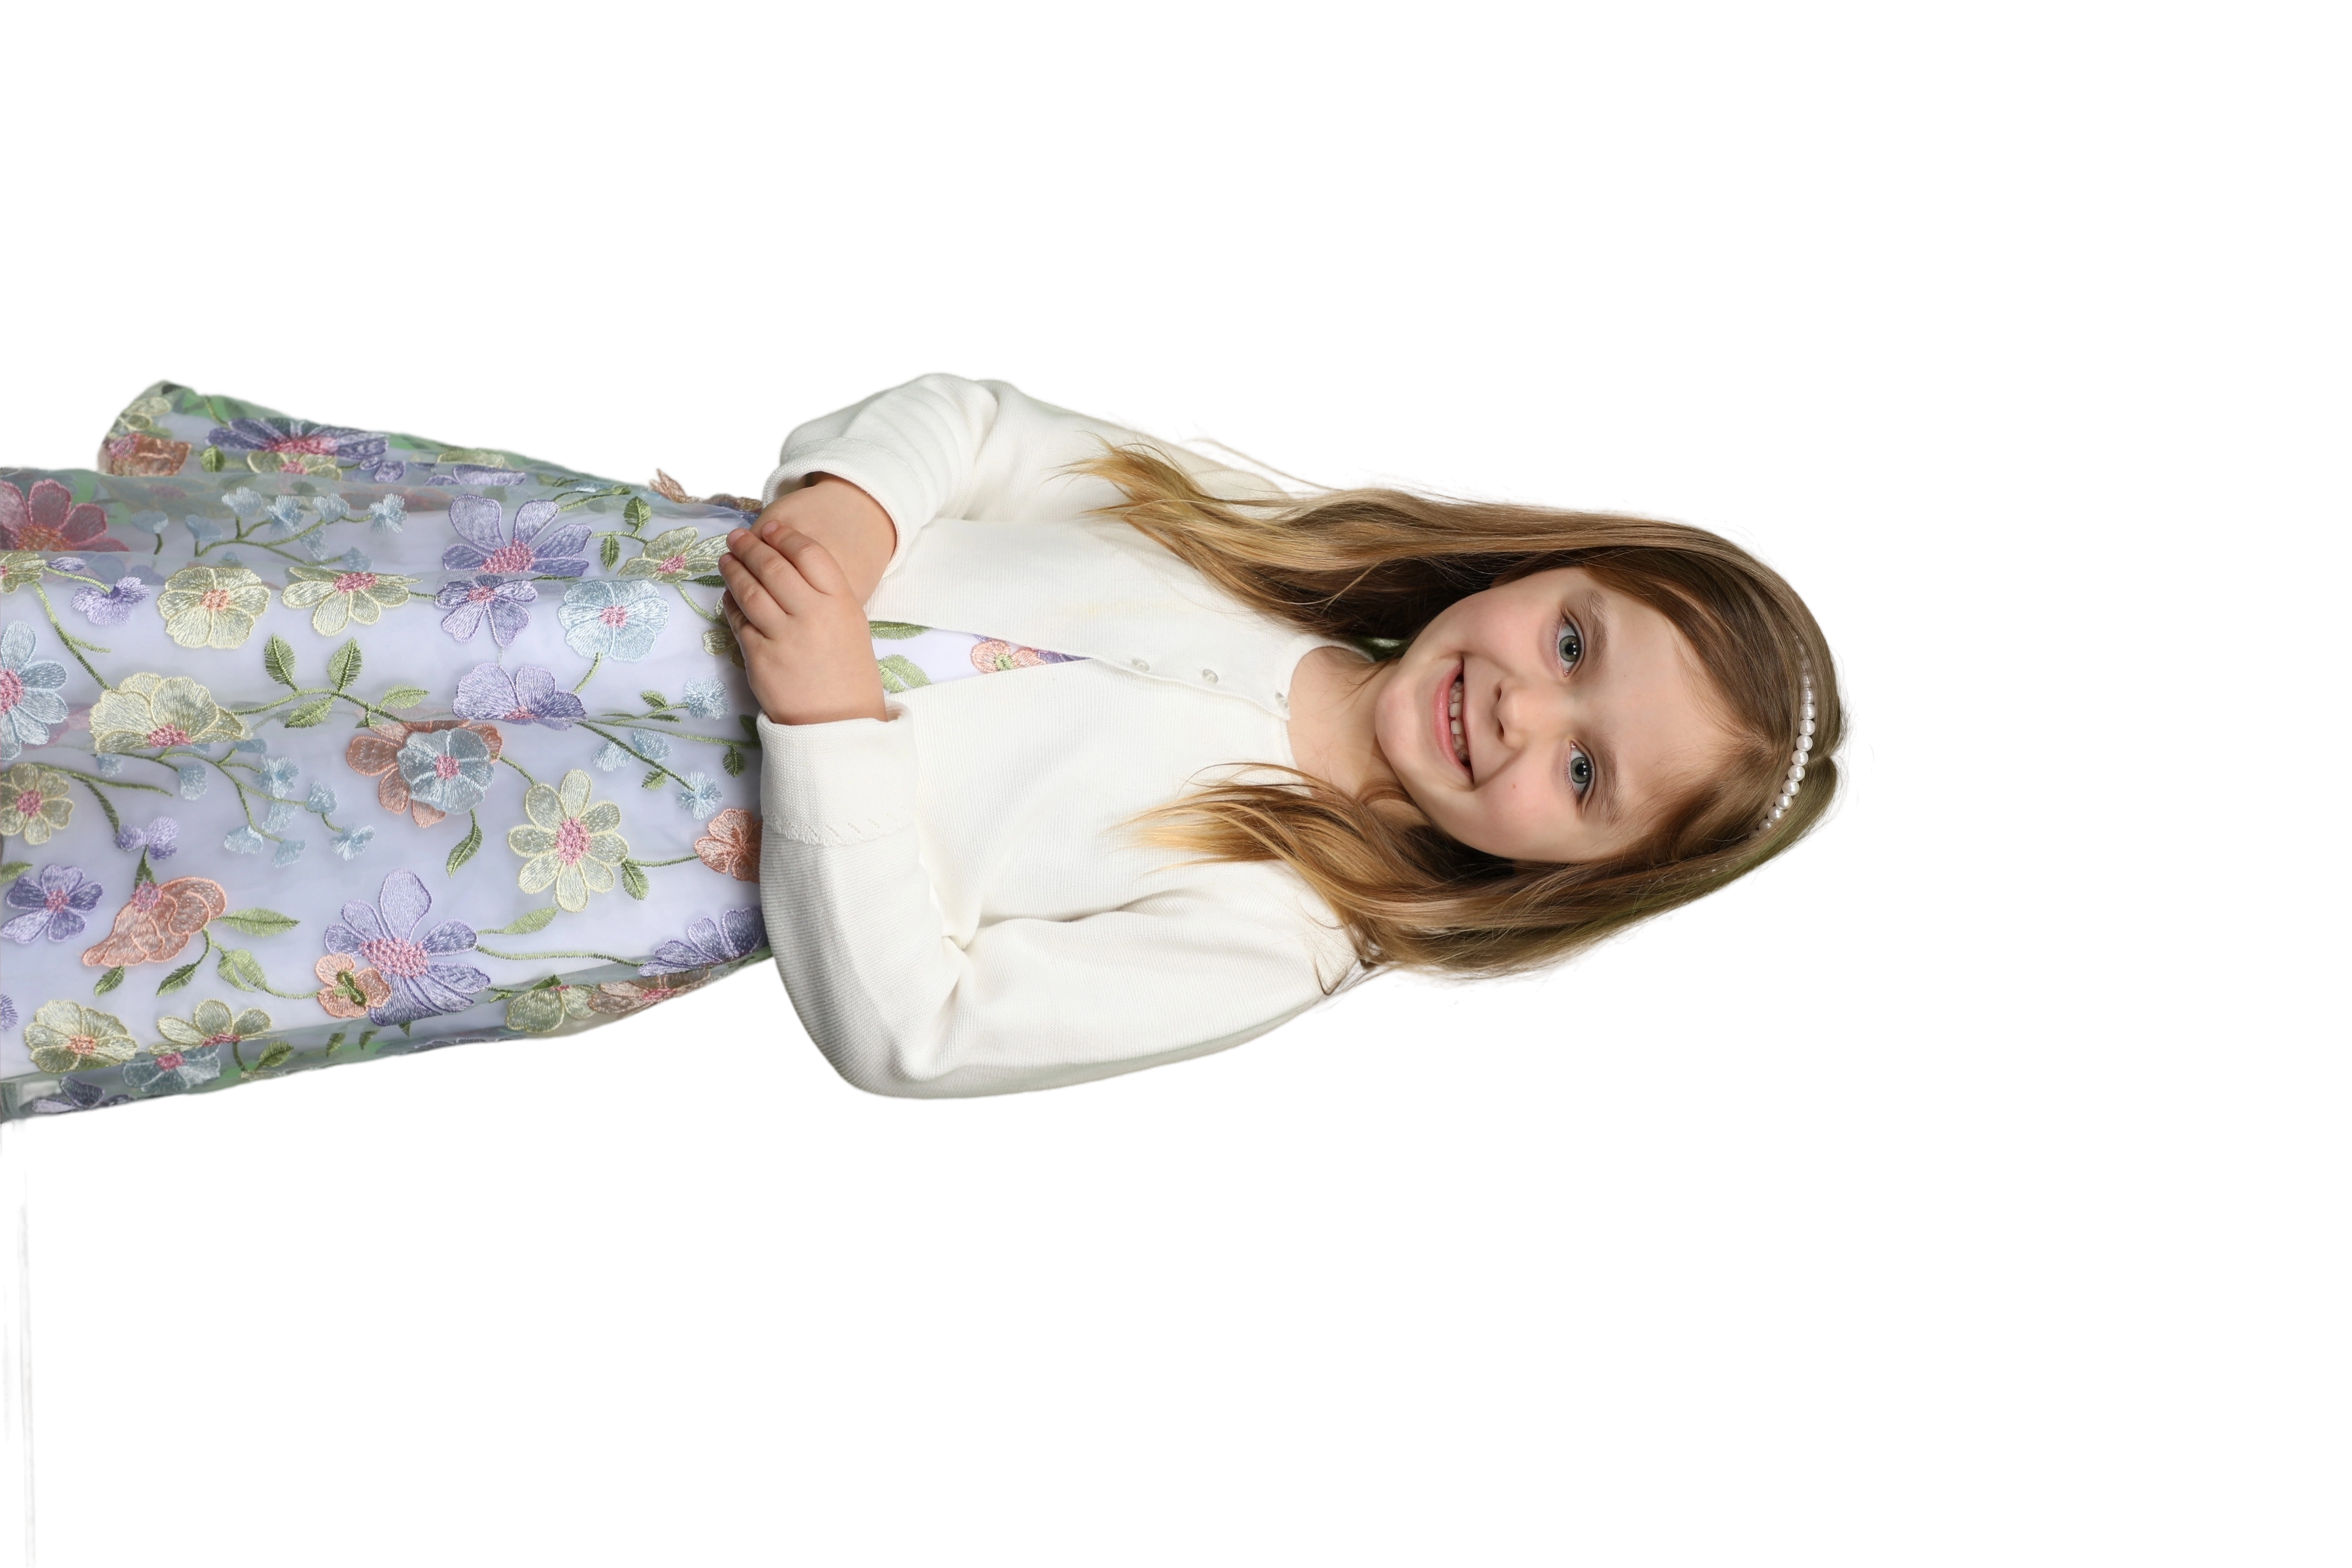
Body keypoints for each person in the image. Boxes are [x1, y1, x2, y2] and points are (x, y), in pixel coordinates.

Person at [0, 371, 1855, 1122]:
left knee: (176, 859)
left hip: (571, 849)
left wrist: (828, 719)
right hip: (578, 600)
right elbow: (976, 426)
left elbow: (921, 1030)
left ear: (1562, 881)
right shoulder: (1270, 533)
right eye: (1573, 642)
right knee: (186, 629)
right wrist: (861, 516)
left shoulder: (1273, 930)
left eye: (1586, 774)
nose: (1524, 707)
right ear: (1542, 563)